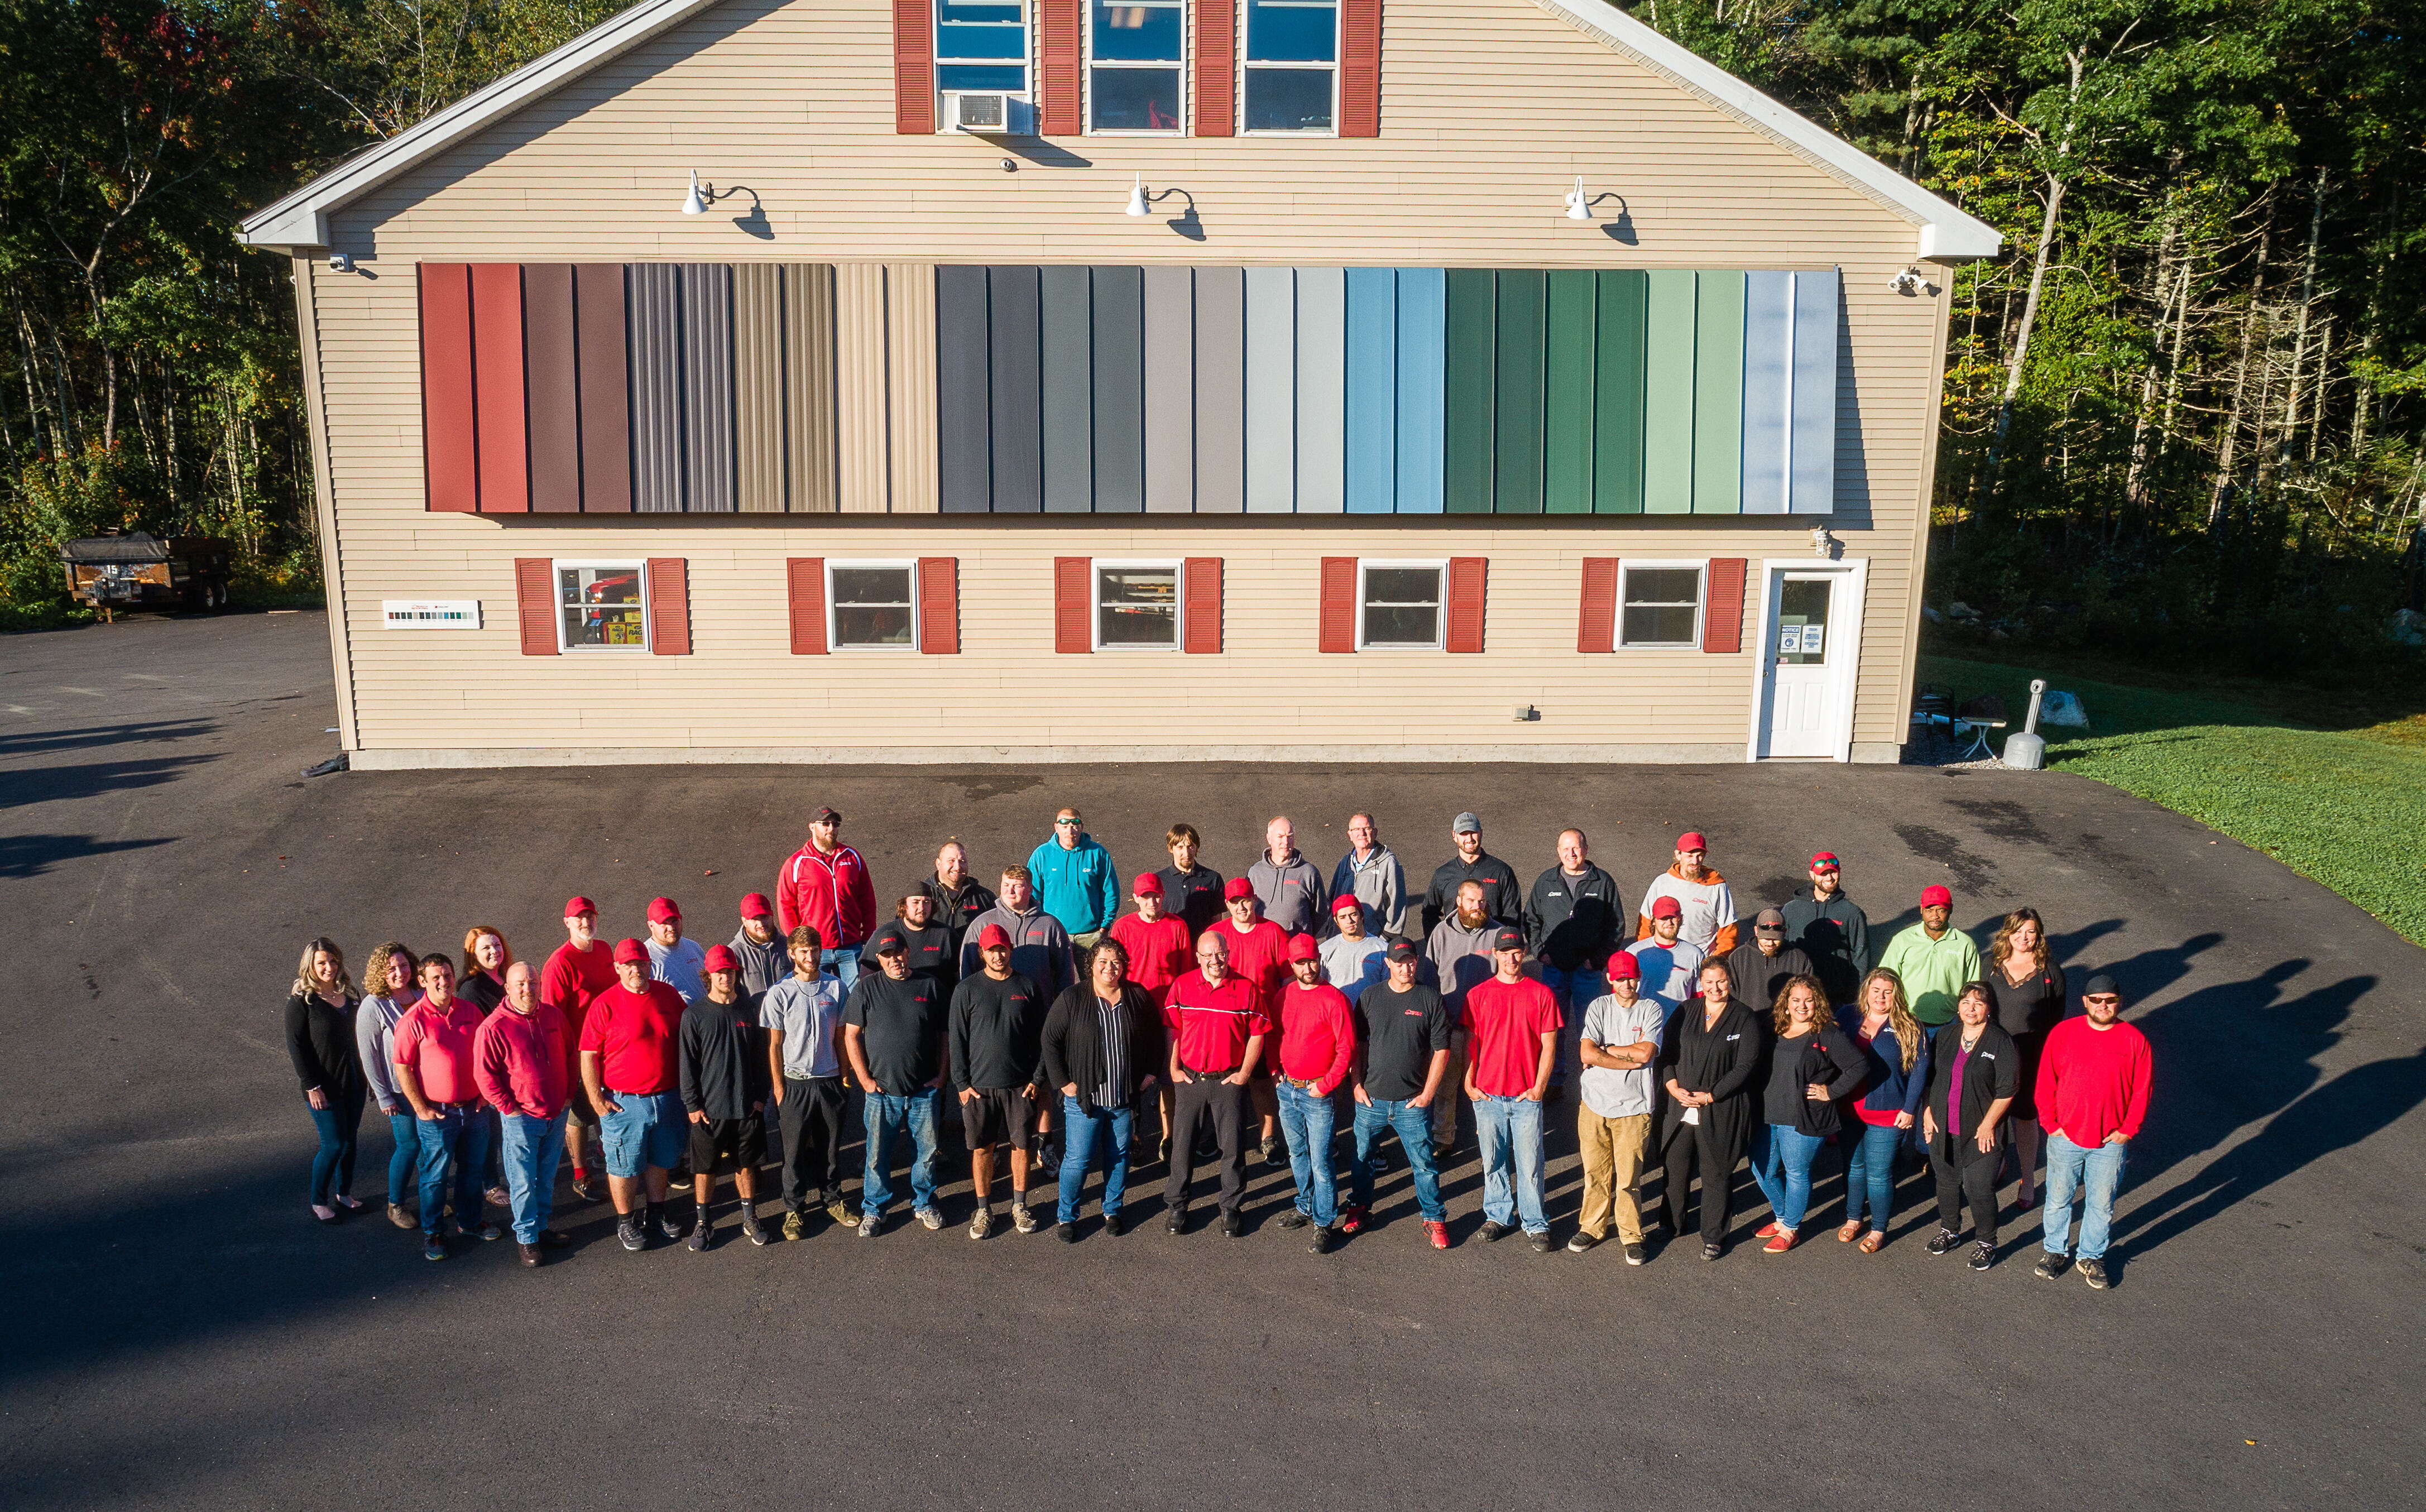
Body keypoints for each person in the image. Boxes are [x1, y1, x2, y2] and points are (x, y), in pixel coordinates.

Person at [2033, 973, 2152, 1290]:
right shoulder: (2064, 1033)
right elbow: (2045, 1081)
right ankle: (2055, 1251)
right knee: (2058, 1199)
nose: (2103, 1005)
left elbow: (2142, 1090)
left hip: (2110, 1140)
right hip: (2065, 1136)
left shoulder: (2134, 1039)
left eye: (2109, 1000)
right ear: (2085, 1002)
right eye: (2096, 1000)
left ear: (2119, 1002)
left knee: (2101, 1203)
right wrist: (2051, 1124)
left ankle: (2090, 1256)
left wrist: (2128, 1130)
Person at [1041, 940, 1165, 1240]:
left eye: (1117, 962)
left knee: (1119, 1156)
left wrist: (1150, 1072)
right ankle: (1067, 1216)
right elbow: (1050, 1040)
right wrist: (1063, 1082)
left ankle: (1112, 1210)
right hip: (1086, 1100)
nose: (1110, 968)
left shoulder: (1137, 996)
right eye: (1103, 962)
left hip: (1123, 1097)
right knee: (1078, 1160)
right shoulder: (1072, 998)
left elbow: (1155, 1036)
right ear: (1092, 965)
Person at [580, 938, 691, 1251]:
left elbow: (686, 1040)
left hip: (667, 1098)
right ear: (617, 968)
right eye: (628, 966)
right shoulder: (605, 1004)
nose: (636, 970)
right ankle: (626, 1221)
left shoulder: (667, 995)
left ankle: (656, 1213)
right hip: (625, 1102)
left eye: (641, 964)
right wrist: (596, 1100)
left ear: (649, 964)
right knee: (624, 1165)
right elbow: (588, 1054)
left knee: (661, 1160)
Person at [1746, 974, 1868, 1255]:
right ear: (1786, 1003)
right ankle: (1781, 1218)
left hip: (1804, 1116)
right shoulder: (1774, 1027)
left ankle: (1791, 1229)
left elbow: (1858, 1066)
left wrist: (1830, 1092)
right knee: (1761, 1169)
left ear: (1818, 1003)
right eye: (1796, 1000)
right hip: (1769, 1113)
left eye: (1809, 1001)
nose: (1802, 1006)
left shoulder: (1826, 1033)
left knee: (1796, 1173)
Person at [1161, 929, 1270, 1236]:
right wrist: (1174, 1069)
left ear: (1228, 954)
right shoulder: (1182, 986)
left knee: (1233, 1148)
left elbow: (1258, 1034)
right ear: (1198, 957)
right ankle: (1177, 1206)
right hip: (1191, 1080)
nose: (1214, 961)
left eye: (1220, 954)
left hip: (1228, 1081)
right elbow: (1173, 1032)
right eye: (1207, 955)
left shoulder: (1247, 989)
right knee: (1182, 1148)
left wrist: (1244, 1075)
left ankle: (1230, 1207)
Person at [392, 954, 501, 1260]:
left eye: (448, 975)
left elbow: (485, 1054)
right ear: (423, 982)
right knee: (435, 1176)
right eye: (436, 977)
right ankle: (434, 1232)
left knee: (472, 1171)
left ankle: (469, 1222)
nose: (444, 982)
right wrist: (421, 1108)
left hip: (474, 1110)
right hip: (438, 1114)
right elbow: (402, 1067)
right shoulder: (412, 1020)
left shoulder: (470, 1012)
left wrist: (484, 1094)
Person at [845, 925, 951, 1236]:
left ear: (908, 952)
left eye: (899, 953)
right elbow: (851, 1036)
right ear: (879, 958)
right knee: (877, 1155)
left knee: (927, 1153)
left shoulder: (930, 986)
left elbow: (946, 1036)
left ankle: (924, 1202)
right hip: (881, 1092)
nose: (895, 960)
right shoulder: (866, 989)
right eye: (887, 955)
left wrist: (942, 1075)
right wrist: (864, 1080)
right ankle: (874, 1209)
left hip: (923, 1091)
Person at [1462, 926, 1562, 1252]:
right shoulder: (1478, 995)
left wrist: (1539, 1087)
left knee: (1531, 1162)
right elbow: (1471, 1043)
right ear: (1495, 954)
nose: (1511, 958)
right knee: (1492, 1160)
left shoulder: (1541, 994)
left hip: (1525, 1096)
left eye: (1517, 951)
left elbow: (1550, 1046)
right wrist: (1469, 1080)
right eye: (1505, 952)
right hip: (1488, 1094)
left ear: (1525, 952)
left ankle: (1535, 1222)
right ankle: (1498, 1215)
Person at [1347, 940, 1452, 1249]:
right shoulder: (1370, 997)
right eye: (1400, 962)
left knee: (1424, 1166)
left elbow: (1442, 1050)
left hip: (1412, 1103)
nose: (1406, 968)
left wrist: (1428, 1095)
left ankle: (1434, 1219)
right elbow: (1358, 1046)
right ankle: (1359, 1210)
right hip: (1372, 1101)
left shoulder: (1430, 998)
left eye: (1411, 962)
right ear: (1388, 964)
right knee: (1362, 1160)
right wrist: (1356, 1085)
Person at [1657, 958, 1765, 1260]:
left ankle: (1714, 1236)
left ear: (1730, 982)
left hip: (1721, 1108)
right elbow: (1667, 1054)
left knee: (1716, 1172)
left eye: (1721, 982)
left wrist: (1710, 1096)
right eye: (1709, 982)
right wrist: (1673, 1087)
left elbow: (1746, 1066)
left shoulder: (1744, 1018)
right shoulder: (1685, 1011)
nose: (1715, 988)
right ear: (1700, 983)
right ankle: (1671, 1224)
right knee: (1676, 1167)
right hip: (1680, 1104)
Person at [948, 923, 1049, 1237]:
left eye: (1002, 948)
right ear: (982, 953)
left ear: (1010, 950)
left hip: (1020, 1086)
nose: (998, 955)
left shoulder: (1028, 987)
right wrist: (962, 1085)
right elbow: (957, 1041)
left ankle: (1019, 1205)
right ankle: (984, 1209)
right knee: (982, 1150)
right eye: (992, 950)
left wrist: (1037, 1078)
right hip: (979, 1090)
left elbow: (1043, 1039)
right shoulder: (967, 990)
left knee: (1021, 1147)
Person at [472, 961, 575, 1265]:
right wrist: (509, 1109)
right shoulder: (493, 1027)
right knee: (523, 1182)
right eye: (520, 984)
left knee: (545, 1177)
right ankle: (527, 1239)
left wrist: (569, 1096)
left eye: (532, 983)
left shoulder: (554, 1016)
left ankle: (541, 1228)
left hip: (556, 1113)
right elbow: (485, 1075)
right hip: (522, 1119)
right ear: (508, 988)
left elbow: (571, 1054)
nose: (527, 989)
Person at [763, 924, 855, 1239]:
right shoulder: (780, 993)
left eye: (815, 950)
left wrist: (845, 1075)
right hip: (795, 1084)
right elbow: (775, 1045)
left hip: (830, 1081)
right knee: (794, 1152)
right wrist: (779, 1088)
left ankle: (832, 1200)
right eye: (803, 951)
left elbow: (843, 1037)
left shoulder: (837, 988)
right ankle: (794, 1210)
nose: (810, 956)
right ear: (791, 954)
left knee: (830, 1148)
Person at [1570, 949, 1663, 1263]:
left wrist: (1606, 1050)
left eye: (1631, 977)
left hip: (1634, 1108)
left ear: (1639, 978)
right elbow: (1586, 1054)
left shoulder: (1651, 1009)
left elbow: (1646, 1054)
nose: (1627, 983)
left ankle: (1631, 1233)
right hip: (1595, 1103)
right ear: (1610, 979)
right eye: (1621, 978)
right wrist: (1623, 1060)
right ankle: (1592, 1227)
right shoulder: (1599, 1006)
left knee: (1628, 1178)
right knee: (1595, 1172)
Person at [678, 944, 771, 1250]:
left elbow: (762, 1057)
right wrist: (693, 1105)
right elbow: (687, 1064)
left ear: (736, 974)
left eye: (730, 972)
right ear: (709, 976)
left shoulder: (749, 1011)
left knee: (746, 1165)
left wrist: (761, 1097)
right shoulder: (695, 1016)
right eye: (719, 973)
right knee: (704, 1168)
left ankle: (750, 1217)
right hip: (709, 1110)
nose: (725, 977)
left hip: (746, 1106)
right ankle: (704, 1224)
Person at [1922, 982, 2018, 1270]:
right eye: (1965, 1002)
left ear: (1989, 1008)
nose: (1971, 1008)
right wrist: (1927, 1111)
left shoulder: (2001, 1042)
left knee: (1979, 1188)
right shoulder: (1947, 1035)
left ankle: (1987, 1243)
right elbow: (1931, 1078)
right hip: (1943, 1126)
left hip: (1981, 1132)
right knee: (1947, 1183)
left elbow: (2008, 1089)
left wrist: (1989, 1124)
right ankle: (1949, 1231)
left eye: (1978, 1003)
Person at [1837, 967, 1929, 1253]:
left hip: (1888, 1113)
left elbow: (1920, 1070)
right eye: (1876, 990)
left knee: (1878, 1174)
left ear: (1896, 995)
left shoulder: (1909, 1026)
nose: (1881, 996)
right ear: (1866, 990)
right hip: (1849, 1109)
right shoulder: (1847, 1016)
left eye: (1888, 992)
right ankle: (1853, 1218)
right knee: (1853, 1168)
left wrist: (1910, 1108)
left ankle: (1878, 1228)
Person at [1273, 934, 1355, 1251]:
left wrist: (1326, 1084)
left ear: (1319, 959)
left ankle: (1324, 1220)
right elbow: (1274, 1036)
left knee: (1321, 1160)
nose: (1308, 967)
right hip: (1287, 1088)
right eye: (1301, 962)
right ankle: (1305, 1206)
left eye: (1312, 960)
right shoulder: (1284, 996)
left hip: (1318, 1092)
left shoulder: (1334, 999)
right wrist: (1274, 1070)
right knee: (1297, 1153)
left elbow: (1346, 1048)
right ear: (1291, 965)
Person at [1985, 906, 2067, 1206]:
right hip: (1992, 1050)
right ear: (2008, 932)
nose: (2024, 937)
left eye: (2031, 932)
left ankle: (2029, 1178)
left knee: (2024, 1116)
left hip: (2032, 1055)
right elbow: (1978, 1005)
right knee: (1991, 1112)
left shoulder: (2050, 971)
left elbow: (2056, 1019)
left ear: (2039, 935)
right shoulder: (1991, 965)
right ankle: (1997, 1163)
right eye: (2018, 931)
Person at [1107, 872, 1192, 1160]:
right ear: (1135, 899)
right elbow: (1112, 972)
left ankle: (1168, 1137)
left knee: (1168, 1077)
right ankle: (1132, 1135)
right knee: (1131, 1077)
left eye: (1156, 895)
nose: (1152, 901)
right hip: (1134, 1014)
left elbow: (1186, 972)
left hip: (1169, 1015)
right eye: (1145, 897)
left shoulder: (1177, 926)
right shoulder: (1123, 927)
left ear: (1163, 896)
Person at [1522, 829, 1624, 1067]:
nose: (1571, 853)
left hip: (1587, 972)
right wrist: (1540, 952)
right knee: (1551, 1030)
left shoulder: (1603, 882)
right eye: (1566, 849)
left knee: (1591, 1030)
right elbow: (1531, 919)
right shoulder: (1546, 881)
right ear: (1558, 851)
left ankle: (1590, 1080)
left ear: (1586, 849)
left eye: (1576, 848)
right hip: (1554, 970)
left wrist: (1597, 960)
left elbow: (1616, 926)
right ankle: (1554, 1080)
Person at [1209, 875, 1291, 1162]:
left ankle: (1268, 1136)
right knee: (1221, 1079)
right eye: (1235, 902)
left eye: (1246, 900)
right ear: (1227, 905)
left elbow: (1288, 979)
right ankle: (1222, 1136)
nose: (1242, 907)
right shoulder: (1217, 934)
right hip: (1226, 1022)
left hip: (1262, 1022)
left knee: (1259, 1079)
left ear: (1254, 900)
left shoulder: (1274, 933)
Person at [539, 898, 615, 1198]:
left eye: (590, 916)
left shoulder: (605, 950)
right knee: (581, 1112)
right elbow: (551, 1016)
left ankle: (602, 1152)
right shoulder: (560, 963)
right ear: (567, 922)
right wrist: (564, 1058)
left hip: (611, 1046)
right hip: (581, 1051)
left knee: (605, 1102)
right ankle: (580, 1172)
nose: (586, 923)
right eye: (579, 918)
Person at [285, 937, 363, 1225]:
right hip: (323, 1087)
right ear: (310, 966)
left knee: (350, 1141)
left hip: (354, 1082)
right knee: (333, 1144)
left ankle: (344, 1193)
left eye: (332, 961)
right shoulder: (302, 1002)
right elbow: (297, 1047)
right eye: (321, 963)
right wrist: (311, 1085)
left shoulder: (351, 996)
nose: (328, 967)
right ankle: (319, 1200)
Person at [1422, 879, 1498, 1155]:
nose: (1477, 907)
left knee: (1484, 1085)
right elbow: (1429, 980)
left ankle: (1488, 1139)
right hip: (1450, 1025)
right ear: (1458, 902)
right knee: (1445, 1086)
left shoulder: (1497, 934)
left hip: (1485, 1030)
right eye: (1471, 901)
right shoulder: (1441, 933)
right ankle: (1444, 1137)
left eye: (1481, 901)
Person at [357, 942, 423, 1229]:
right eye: (392, 968)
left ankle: (430, 1195)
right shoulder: (374, 1005)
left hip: (430, 1086)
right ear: (380, 972)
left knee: (429, 1146)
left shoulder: (422, 994)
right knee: (409, 1146)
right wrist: (384, 1097)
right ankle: (396, 1205)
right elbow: (368, 1056)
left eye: (404, 966)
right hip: (399, 1091)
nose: (399, 972)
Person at [776, 805, 876, 990]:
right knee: (813, 998)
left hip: (850, 946)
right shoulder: (796, 863)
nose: (831, 829)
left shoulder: (852, 857)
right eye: (825, 824)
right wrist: (798, 943)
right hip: (813, 949)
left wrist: (869, 933)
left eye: (835, 824)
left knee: (852, 1001)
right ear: (812, 826)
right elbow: (785, 905)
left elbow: (867, 899)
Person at [959, 866, 1075, 1007]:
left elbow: (1065, 974)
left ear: (1030, 889)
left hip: (1040, 1011)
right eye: (1006, 885)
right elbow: (967, 971)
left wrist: (1063, 1008)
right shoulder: (982, 924)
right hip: (994, 1010)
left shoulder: (1050, 925)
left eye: (1017, 886)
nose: (1010, 891)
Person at [1876, 885, 1982, 1028]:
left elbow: (1972, 988)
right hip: (1907, 1021)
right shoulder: (1902, 940)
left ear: (1950, 910)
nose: (1935, 916)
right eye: (1930, 910)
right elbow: (1885, 980)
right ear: (1922, 909)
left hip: (1948, 1024)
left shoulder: (1965, 945)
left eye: (1941, 910)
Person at [1779, 851, 1872, 1005]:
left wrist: (1854, 996)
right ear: (1812, 875)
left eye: (1833, 873)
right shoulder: (1791, 910)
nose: (1829, 878)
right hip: (1798, 996)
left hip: (1836, 997)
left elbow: (1861, 957)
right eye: (1823, 874)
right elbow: (1782, 950)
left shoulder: (1852, 913)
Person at [1028, 805, 1120, 951]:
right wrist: (1038, 925)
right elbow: (1032, 894)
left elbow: (1110, 891)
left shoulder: (1097, 853)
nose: (1070, 830)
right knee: (1055, 974)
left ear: (1082, 827)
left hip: (1091, 934)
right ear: (1056, 827)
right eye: (1064, 825)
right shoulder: (1042, 855)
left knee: (1092, 974)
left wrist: (1105, 925)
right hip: (1054, 933)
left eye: (1075, 824)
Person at [1635, 832, 1738, 957]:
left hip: (1701, 964)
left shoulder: (1717, 887)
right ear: (1678, 855)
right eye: (1690, 856)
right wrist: (1647, 955)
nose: (1695, 862)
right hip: (1663, 960)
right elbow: (1645, 925)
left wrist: (1715, 962)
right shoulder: (1661, 883)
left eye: (1700, 856)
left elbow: (1728, 931)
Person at [1420, 811, 1521, 934]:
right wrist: (1439, 942)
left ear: (1481, 833)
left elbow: (1512, 915)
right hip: (1455, 949)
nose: (1470, 839)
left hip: (1491, 947)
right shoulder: (1442, 875)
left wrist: (1503, 944)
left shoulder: (1502, 871)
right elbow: (1430, 913)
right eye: (1464, 834)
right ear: (1454, 836)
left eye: (1473, 833)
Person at [1723, 909, 1818, 1014]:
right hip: (1749, 1022)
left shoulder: (1799, 959)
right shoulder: (1738, 957)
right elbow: (1730, 995)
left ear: (1785, 932)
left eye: (1776, 939)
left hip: (1786, 1024)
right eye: (1766, 939)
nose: (1770, 944)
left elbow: (1809, 995)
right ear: (1756, 931)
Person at [1329, 812, 1406, 937]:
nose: (1362, 834)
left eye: (1367, 828)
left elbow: (1397, 905)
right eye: (1357, 829)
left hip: (1373, 939)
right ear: (1350, 835)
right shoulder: (1345, 863)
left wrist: (1387, 938)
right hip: (1343, 939)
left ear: (1375, 832)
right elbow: (1332, 900)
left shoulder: (1389, 863)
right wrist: (1331, 933)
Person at [1248, 815, 1329, 934]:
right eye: (1280, 837)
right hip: (1263, 945)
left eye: (1290, 837)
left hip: (1296, 947)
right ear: (1269, 839)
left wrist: (1303, 936)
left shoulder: (1308, 872)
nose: (1286, 842)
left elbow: (1320, 914)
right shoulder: (1255, 872)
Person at [866, 891, 956, 991]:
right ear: (904, 906)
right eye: (915, 902)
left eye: (927, 902)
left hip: (937, 1000)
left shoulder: (946, 934)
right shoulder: (885, 933)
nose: (922, 908)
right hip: (893, 996)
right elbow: (867, 973)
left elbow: (959, 973)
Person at [922, 841, 998, 958]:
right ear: (938, 864)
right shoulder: (921, 897)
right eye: (951, 861)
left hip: (972, 968)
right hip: (931, 970)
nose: (958, 867)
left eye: (962, 861)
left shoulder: (985, 898)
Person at [1631, 896, 1705, 1014]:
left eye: (1673, 917)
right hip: (1642, 1026)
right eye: (1664, 918)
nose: (1669, 923)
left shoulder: (1695, 955)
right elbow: (1620, 993)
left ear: (1680, 919)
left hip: (1680, 1026)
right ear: (1653, 920)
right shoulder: (1635, 952)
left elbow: (1700, 996)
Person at [1155, 823, 1226, 937]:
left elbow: (1216, 921)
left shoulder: (1213, 878)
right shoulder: (1158, 880)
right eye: (1180, 847)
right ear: (1170, 848)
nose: (1186, 853)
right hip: (1170, 946)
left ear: (1197, 847)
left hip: (1201, 950)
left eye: (1190, 846)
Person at [1318, 892, 1386, 1002]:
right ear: (1336, 921)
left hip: (1369, 1016)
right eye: (1343, 917)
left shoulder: (1382, 949)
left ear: (1362, 915)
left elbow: (1388, 990)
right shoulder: (1325, 950)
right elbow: (1319, 988)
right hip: (1338, 1015)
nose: (1349, 921)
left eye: (1353, 914)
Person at [643, 896, 708, 1005]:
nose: (671, 928)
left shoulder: (693, 946)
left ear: (681, 919)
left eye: (674, 921)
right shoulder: (645, 959)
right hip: (678, 1021)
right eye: (664, 923)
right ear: (651, 926)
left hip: (708, 1017)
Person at [728, 893, 790, 997]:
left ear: (772, 915)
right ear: (744, 921)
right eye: (755, 919)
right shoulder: (733, 954)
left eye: (764, 917)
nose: (761, 924)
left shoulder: (790, 947)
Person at [458, 927, 512, 1014]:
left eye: (497, 945)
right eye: (486, 948)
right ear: (474, 955)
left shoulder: (510, 977)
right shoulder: (471, 990)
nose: (494, 951)